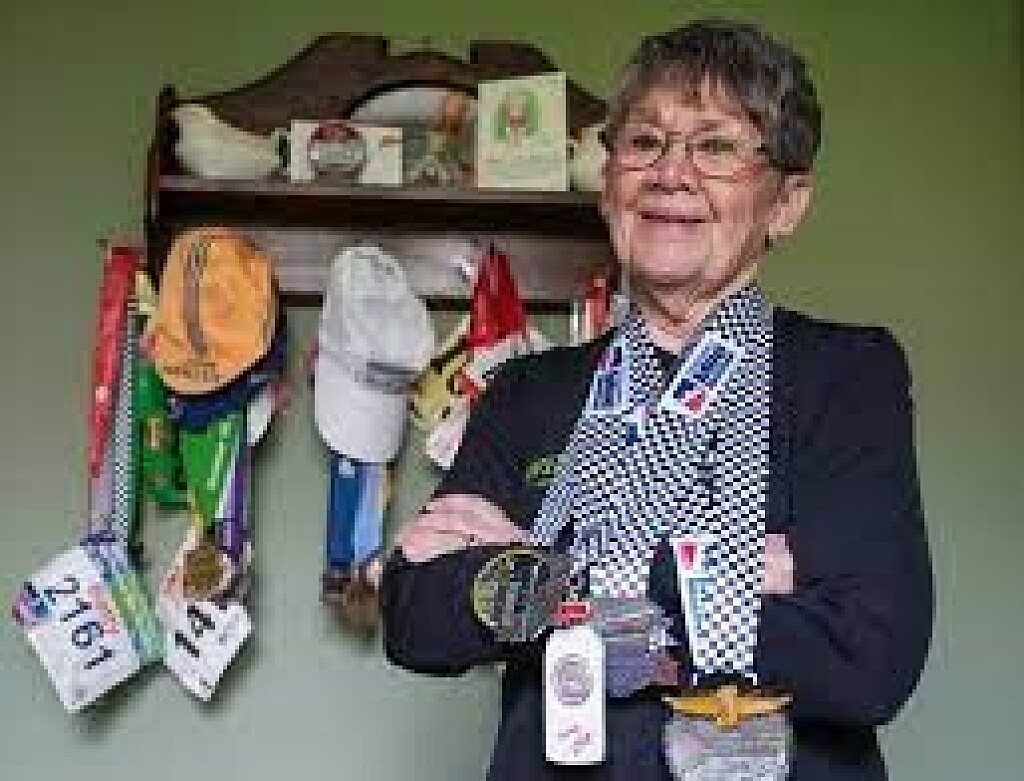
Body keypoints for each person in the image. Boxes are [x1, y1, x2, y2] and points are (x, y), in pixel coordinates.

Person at [383, 19, 933, 780]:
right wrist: (727, 571)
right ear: (610, 184)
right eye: (644, 142)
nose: (672, 173)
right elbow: (417, 616)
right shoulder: (528, 390)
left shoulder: (845, 375)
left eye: (716, 147)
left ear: (786, 202)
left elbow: (868, 657)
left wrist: (540, 569)